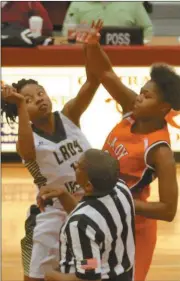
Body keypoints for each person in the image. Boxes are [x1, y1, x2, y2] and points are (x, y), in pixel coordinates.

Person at [78, 21, 179, 281]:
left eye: (147, 96)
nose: (138, 97)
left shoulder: (160, 150)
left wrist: (122, 203)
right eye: (141, 92)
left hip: (134, 229)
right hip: (99, 215)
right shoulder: (132, 110)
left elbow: (168, 210)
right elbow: (106, 74)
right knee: (89, 275)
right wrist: (93, 45)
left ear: (164, 107)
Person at [1, 46, 100, 281]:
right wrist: (19, 105)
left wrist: (91, 48)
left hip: (88, 207)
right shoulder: (29, 140)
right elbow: (25, 150)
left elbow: (93, 82)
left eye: (40, 93)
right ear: (22, 110)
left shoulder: (69, 115)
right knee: (37, 276)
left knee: (90, 267)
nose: (39, 99)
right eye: (29, 100)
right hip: (53, 212)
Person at [38, 149, 135, 281]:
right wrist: (64, 194)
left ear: (88, 185)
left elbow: (89, 277)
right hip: (122, 274)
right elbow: (94, 221)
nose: (74, 166)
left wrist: (54, 276)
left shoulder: (80, 224)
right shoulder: (122, 190)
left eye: (78, 167)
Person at [62, 1, 153, 43]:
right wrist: (89, 31)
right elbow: (67, 30)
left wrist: (142, 44)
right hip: (89, 55)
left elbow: (148, 29)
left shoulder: (133, 3)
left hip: (126, 55)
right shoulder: (78, 3)